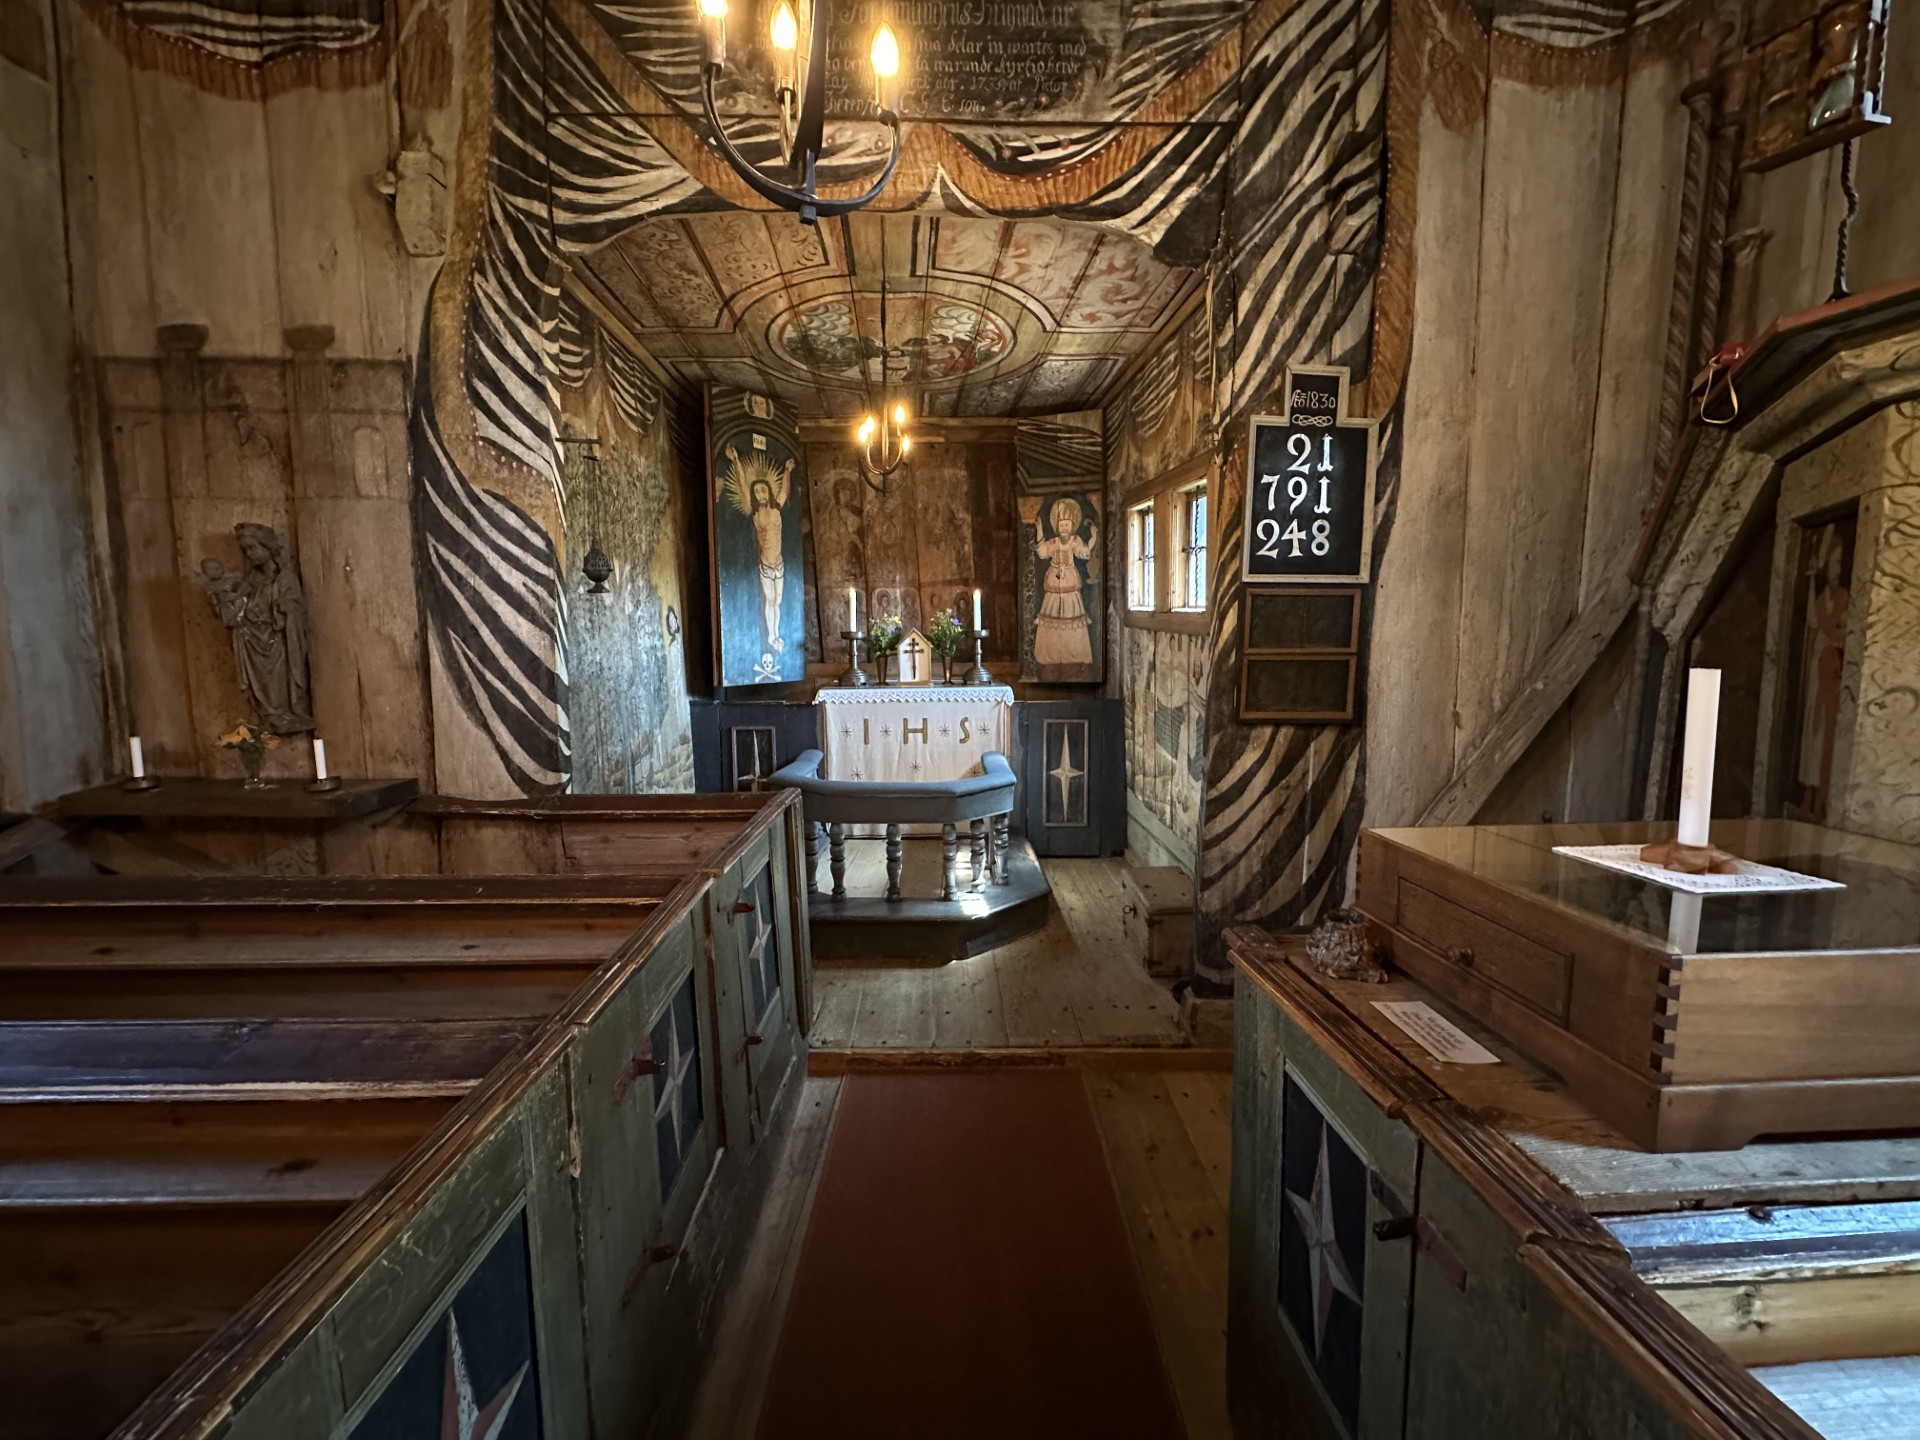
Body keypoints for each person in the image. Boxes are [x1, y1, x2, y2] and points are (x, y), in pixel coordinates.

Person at [1033, 496, 1096, 667]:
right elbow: (1042, 552)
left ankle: (1074, 656)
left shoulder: (1075, 541)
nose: (1064, 529)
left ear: (1072, 526)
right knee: (1051, 615)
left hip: (1070, 582)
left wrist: (1093, 538)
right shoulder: (1053, 542)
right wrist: (1039, 530)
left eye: (1067, 525)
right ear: (1056, 526)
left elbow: (1084, 552)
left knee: (1072, 615)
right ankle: (1049, 656)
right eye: (1061, 525)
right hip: (1054, 581)